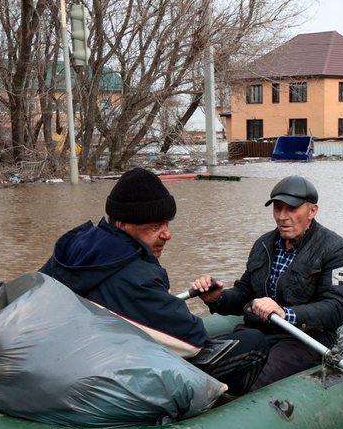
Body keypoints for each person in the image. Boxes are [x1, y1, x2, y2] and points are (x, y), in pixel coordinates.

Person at [39, 168, 269, 395]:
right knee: (253, 342)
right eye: (155, 226)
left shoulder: (73, 245)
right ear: (122, 225)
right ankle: (224, 406)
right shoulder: (136, 275)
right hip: (104, 376)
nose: (167, 234)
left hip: (64, 359)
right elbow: (191, 340)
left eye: (167, 223)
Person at [192, 175, 343, 392]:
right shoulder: (263, 244)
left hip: (304, 339)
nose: (282, 217)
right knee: (201, 371)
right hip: (256, 333)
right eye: (278, 209)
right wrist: (218, 298)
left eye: (291, 209)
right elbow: (244, 292)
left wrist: (285, 313)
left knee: (249, 384)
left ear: (312, 211)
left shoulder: (336, 249)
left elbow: (337, 309)